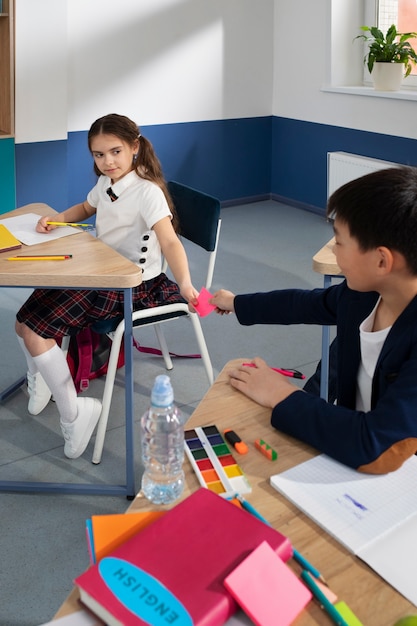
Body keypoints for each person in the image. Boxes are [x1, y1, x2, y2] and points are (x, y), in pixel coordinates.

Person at [210, 166, 417, 474]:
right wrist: (237, 303)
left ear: (382, 260)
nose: (333, 251)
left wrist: (280, 393)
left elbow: (374, 443)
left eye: (339, 242)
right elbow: (302, 304)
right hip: (350, 455)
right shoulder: (364, 295)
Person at [16, 113, 199, 459]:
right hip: (100, 271)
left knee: (36, 332)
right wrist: (56, 220)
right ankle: (42, 375)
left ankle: (75, 413)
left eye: (115, 152)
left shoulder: (147, 192)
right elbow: (87, 207)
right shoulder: (107, 184)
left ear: (135, 146)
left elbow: (171, 243)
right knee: (22, 322)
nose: (107, 162)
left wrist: (187, 284)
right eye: (98, 155)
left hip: (132, 286)